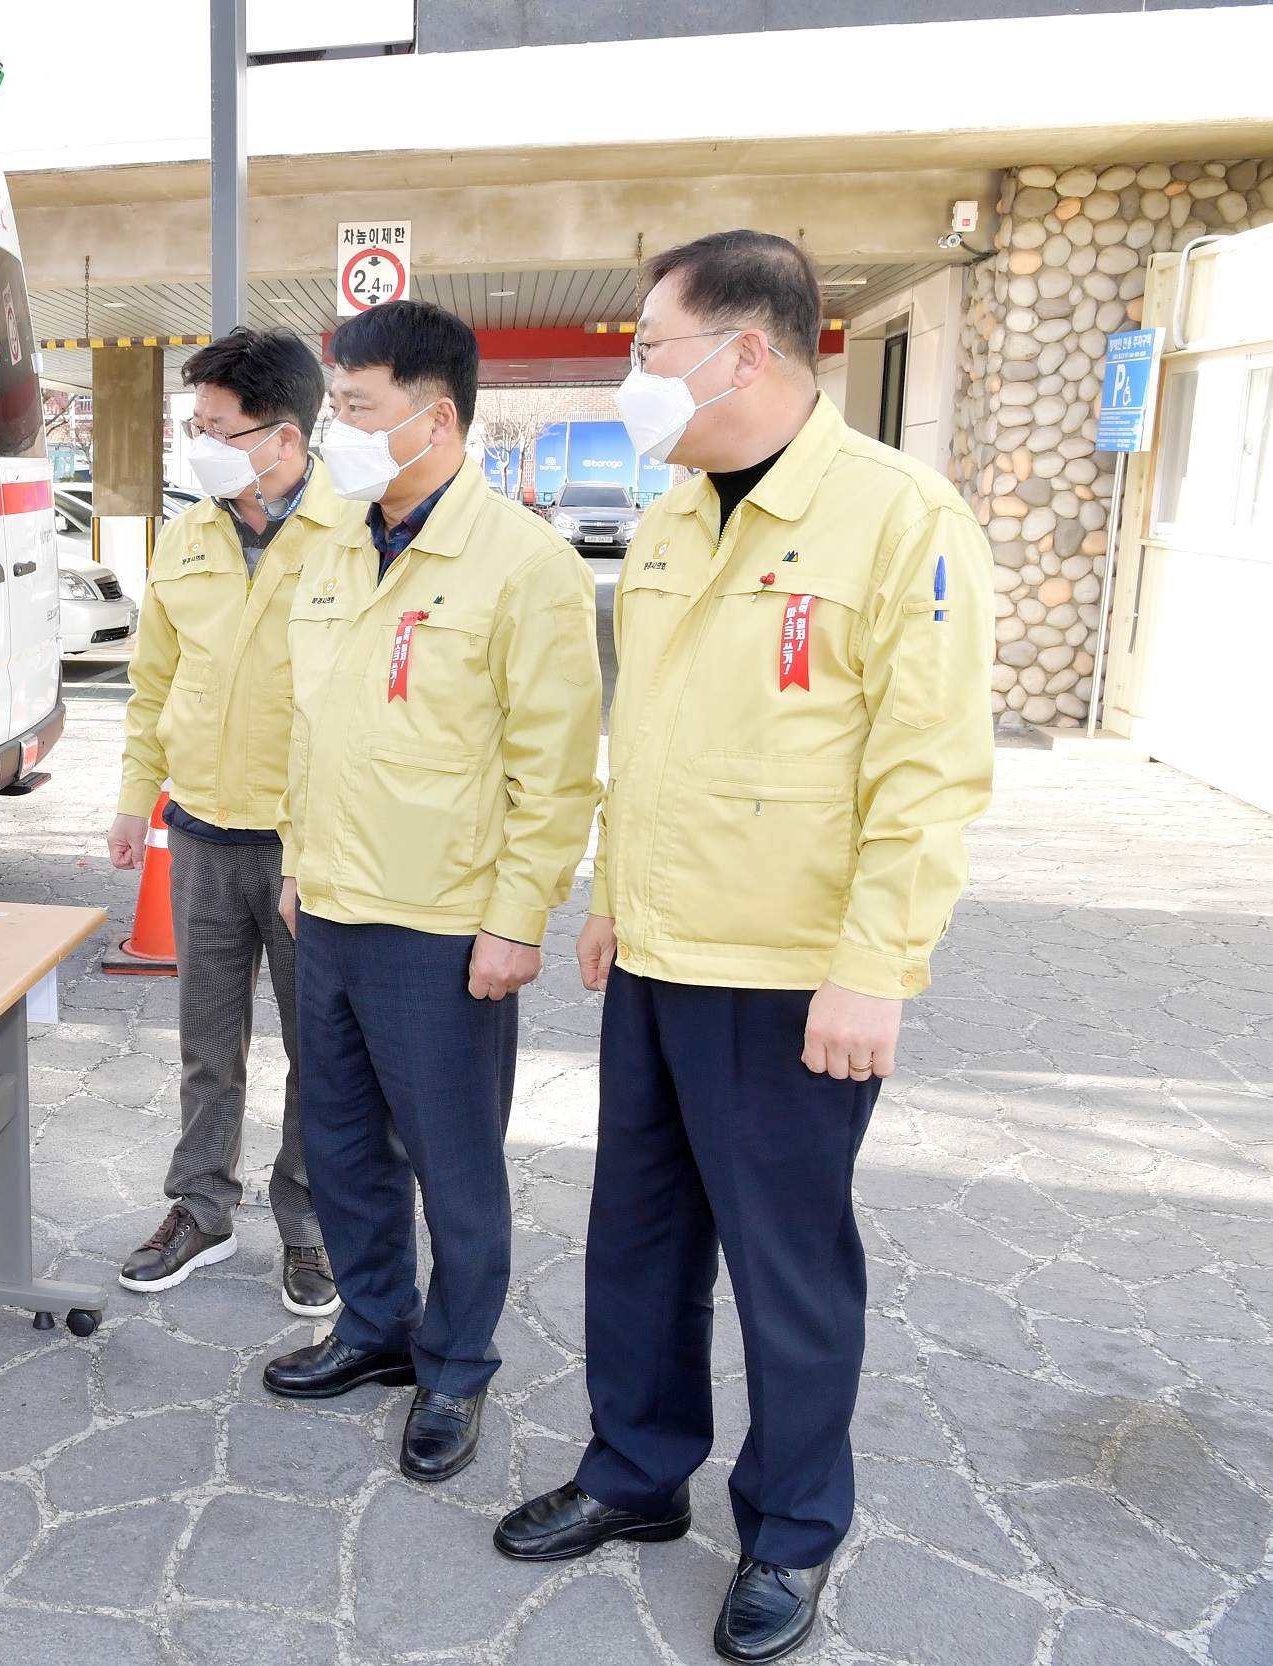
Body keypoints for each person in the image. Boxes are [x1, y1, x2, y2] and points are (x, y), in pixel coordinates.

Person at [492, 232, 993, 1665]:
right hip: (661, 952)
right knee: (638, 1242)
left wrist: (876, 966)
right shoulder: (671, 516)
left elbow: (929, 772)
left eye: (649, 347)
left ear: (746, 352)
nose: (632, 374)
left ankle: (791, 1527)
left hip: (791, 976)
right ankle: (636, 1473)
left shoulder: (898, 517)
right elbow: (648, 733)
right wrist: (610, 892)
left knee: (788, 1271)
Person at [264, 301, 602, 1485]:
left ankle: (454, 1365)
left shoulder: (523, 564)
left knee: (453, 1163)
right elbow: (312, 728)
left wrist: (518, 918)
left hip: (444, 924)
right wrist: (297, 861)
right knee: (341, 1141)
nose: (335, 431)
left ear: (435, 418)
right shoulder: (332, 543)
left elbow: (555, 766)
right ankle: (374, 1327)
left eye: (355, 408)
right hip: (331, 903)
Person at [108, 327, 342, 1317]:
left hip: (308, 848)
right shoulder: (189, 534)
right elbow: (153, 682)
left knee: (321, 1054)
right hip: (202, 834)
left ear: (283, 437)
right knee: (208, 1046)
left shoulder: (354, 531)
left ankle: (312, 1223)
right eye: (192, 424)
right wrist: (136, 798)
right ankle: (201, 1207)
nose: (197, 444)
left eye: (216, 427)